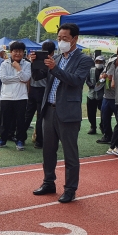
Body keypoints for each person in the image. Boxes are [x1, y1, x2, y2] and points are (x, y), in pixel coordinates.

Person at [31, 23, 93, 203]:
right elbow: (38, 77)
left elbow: (75, 80)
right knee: (48, 151)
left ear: (75, 39)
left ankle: (70, 189)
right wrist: (34, 63)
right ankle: (48, 182)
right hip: (49, 110)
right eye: (59, 38)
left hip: (68, 113)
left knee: (70, 153)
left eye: (65, 38)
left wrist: (54, 69)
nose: (61, 41)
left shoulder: (83, 59)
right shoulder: (55, 58)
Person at [0, 41, 31, 150]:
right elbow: (4, 79)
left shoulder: (27, 64)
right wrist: (19, 78)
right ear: (11, 52)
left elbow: (26, 79)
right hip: (6, 96)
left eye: (20, 51)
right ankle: (2, 140)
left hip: (21, 97)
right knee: (5, 120)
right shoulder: (4, 64)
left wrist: (18, 68)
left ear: (23, 53)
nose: (17, 54)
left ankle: (20, 140)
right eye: (15, 51)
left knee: (20, 121)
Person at [97, 43, 118, 144]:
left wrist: (114, 78)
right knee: (105, 117)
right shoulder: (111, 63)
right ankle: (107, 136)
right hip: (107, 95)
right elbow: (104, 73)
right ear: (117, 52)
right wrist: (103, 75)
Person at [24, 41, 53, 148]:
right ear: (53, 52)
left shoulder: (35, 57)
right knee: (40, 117)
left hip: (32, 89)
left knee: (28, 115)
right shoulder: (50, 62)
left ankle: (21, 138)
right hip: (43, 90)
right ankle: (39, 141)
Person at [85, 55, 106, 135]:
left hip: (102, 95)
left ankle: (102, 126)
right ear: (94, 62)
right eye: (97, 61)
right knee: (91, 112)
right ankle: (93, 127)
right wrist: (92, 86)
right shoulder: (90, 70)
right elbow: (87, 80)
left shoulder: (106, 71)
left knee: (104, 112)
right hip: (91, 94)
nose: (98, 63)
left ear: (103, 63)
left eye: (100, 62)